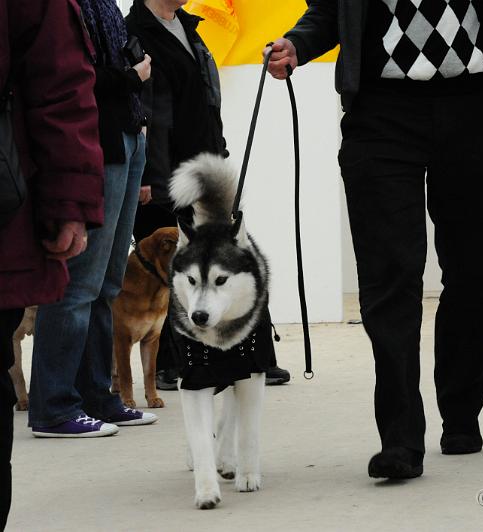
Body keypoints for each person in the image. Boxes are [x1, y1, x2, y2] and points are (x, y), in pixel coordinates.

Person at [266, 0, 483, 480]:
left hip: (474, 107)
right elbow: (329, 12)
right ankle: (400, 438)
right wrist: (298, 43)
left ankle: (461, 412)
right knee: (389, 275)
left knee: (474, 272)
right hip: (380, 112)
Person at [126, 0, 290, 389]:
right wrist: (148, 174)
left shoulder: (188, 27)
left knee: (234, 257)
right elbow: (147, 109)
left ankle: (253, 359)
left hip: (205, 170)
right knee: (173, 272)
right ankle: (171, 365)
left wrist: (219, 150)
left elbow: (204, 100)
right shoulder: (135, 31)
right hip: (164, 177)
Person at [27, 0, 158, 438]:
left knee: (106, 284)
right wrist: (129, 75)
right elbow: (68, 78)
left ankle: (99, 396)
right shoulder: (65, 7)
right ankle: (54, 406)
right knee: (77, 284)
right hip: (95, 142)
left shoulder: (104, 4)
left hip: (127, 136)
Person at [1, 0, 106, 523]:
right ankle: (56, 403)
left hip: (6, 205)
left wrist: (69, 202)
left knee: (86, 296)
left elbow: (60, 83)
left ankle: (61, 400)